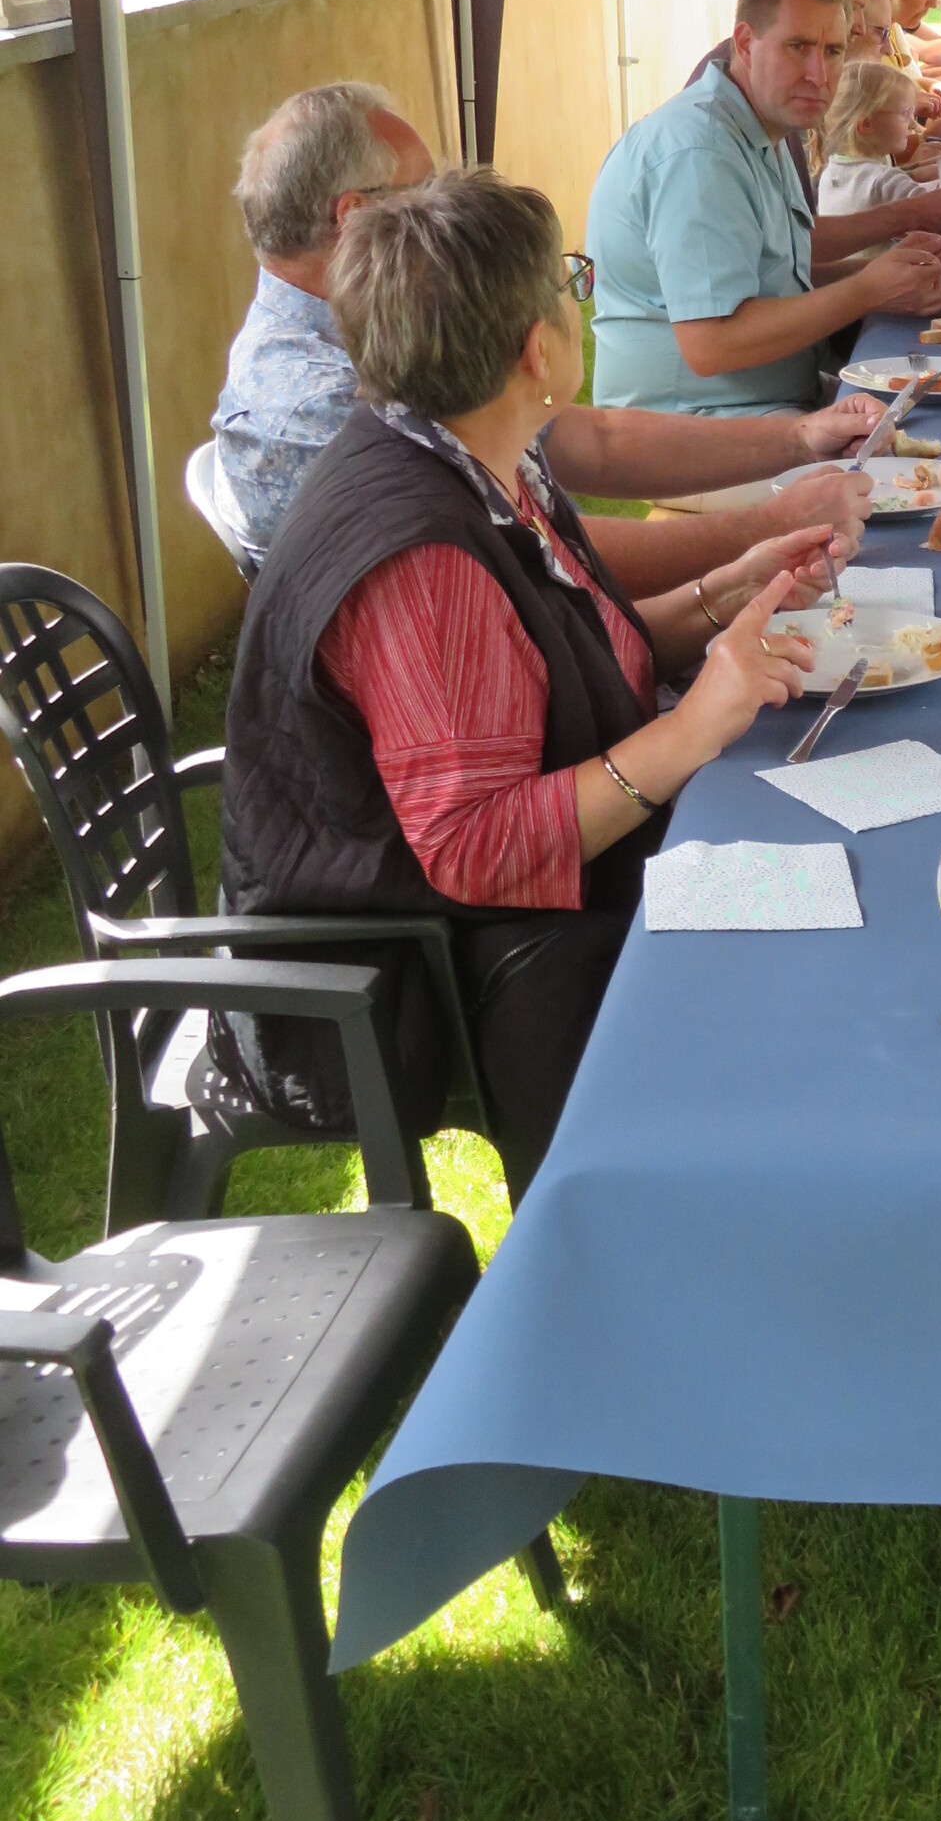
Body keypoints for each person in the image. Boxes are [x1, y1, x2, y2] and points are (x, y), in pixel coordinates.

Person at [220, 168, 827, 1200]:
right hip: (430, 971)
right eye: (571, 282)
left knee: (831, 878)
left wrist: (728, 593)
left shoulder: (474, 453)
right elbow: (474, 850)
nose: (579, 299)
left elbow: (581, 655)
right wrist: (692, 730)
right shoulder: (426, 562)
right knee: (814, 937)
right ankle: (700, 1222)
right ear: (536, 350)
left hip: (550, 901)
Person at [209, 81, 876, 586]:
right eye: (424, 190)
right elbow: (525, 559)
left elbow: (589, 441)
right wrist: (766, 530)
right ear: (355, 218)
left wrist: (798, 439)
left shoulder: (390, 324)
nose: (444, 207)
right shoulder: (317, 402)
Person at [588, 0, 941, 419]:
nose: (818, 75)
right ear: (745, 43)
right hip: (695, 422)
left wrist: (886, 272)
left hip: (771, 400)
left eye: (833, 51)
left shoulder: (761, 125)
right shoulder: (701, 152)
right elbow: (712, 343)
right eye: (798, 47)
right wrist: (867, 289)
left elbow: (780, 275)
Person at [683, 0, 941, 246]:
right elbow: (772, 262)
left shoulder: (772, 92)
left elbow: (793, 246)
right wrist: (909, 215)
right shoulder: (720, 121)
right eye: (854, 7)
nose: (857, 26)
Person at [817, 59, 941, 226]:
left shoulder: (831, 171)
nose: (913, 124)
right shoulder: (884, 181)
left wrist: (914, 173)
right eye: (905, 113)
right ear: (866, 124)